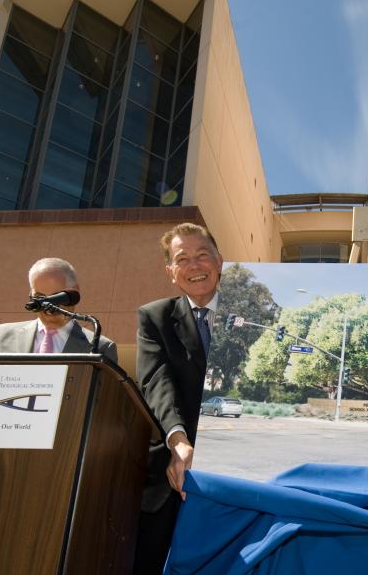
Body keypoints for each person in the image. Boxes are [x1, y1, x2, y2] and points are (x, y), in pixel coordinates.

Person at [134, 222, 222, 574]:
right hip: (173, 467)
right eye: (182, 259)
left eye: (203, 255)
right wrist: (178, 439)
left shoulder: (254, 316)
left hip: (243, 468)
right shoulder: (154, 317)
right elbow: (157, 379)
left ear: (220, 261)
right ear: (171, 272)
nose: (194, 266)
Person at [0, 257, 117, 362]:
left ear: (74, 294)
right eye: (40, 297)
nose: (48, 305)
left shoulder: (101, 347)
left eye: (55, 297)